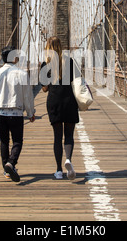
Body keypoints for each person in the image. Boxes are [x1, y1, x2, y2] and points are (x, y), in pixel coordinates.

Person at [0, 46, 35, 182]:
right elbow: (27, 96)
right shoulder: (22, 74)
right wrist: (30, 113)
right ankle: (11, 163)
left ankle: (6, 170)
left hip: (0, 113)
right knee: (17, 141)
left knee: (4, 141)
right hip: (16, 113)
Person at [40, 37, 79, 180]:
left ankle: (58, 170)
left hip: (54, 102)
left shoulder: (46, 64)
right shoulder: (69, 61)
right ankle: (68, 159)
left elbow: (44, 89)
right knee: (69, 135)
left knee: (57, 137)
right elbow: (77, 80)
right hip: (69, 101)